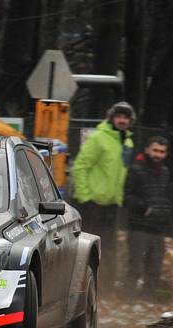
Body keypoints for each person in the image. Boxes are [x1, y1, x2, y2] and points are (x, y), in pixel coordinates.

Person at [72, 101, 136, 291]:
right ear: (112, 118)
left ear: (130, 121)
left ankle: (104, 288)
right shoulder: (99, 138)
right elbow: (80, 166)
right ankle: (82, 286)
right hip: (92, 204)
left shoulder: (128, 142)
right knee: (88, 249)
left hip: (112, 204)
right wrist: (85, 197)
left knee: (108, 248)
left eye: (126, 117)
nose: (122, 120)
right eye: (119, 116)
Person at [123, 136, 173, 299]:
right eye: (155, 150)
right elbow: (127, 196)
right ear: (147, 150)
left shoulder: (165, 171)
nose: (157, 154)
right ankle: (128, 300)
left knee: (154, 268)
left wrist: (165, 213)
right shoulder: (136, 170)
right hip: (139, 226)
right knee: (135, 266)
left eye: (162, 152)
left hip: (158, 227)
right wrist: (144, 208)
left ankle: (147, 300)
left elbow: (165, 195)